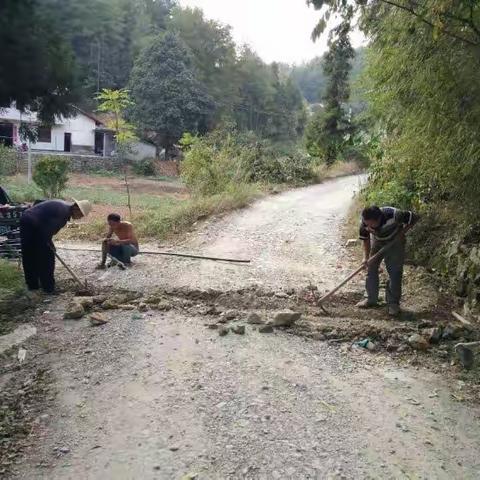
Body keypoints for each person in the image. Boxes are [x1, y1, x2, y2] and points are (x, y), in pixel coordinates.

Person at [356, 205, 419, 316]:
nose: (368, 226)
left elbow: (414, 217)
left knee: (394, 271)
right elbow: (365, 239)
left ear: (379, 219)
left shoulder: (396, 215)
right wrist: (366, 258)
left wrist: (402, 233)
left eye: (371, 224)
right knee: (371, 267)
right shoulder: (365, 221)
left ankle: (393, 304)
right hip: (378, 241)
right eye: (367, 224)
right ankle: (371, 299)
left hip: (395, 242)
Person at [20, 199, 92, 293]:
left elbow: (38, 205)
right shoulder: (63, 213)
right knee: (46, 257)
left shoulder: (64, 208)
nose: (80, 217)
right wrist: (49, 245)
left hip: (29, 220)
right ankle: (48, 288)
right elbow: (46, 232)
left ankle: (33, 285)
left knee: (31, 254)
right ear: (76, 208)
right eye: (81, 215)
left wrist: (47, 242)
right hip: (32, 224)